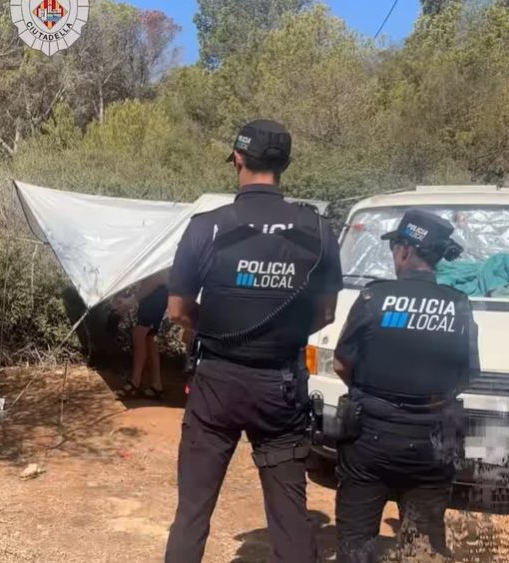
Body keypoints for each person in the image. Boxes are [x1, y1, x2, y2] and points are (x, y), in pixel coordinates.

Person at [165, 119, 343, 563]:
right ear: (284, 165)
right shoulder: (319, 231)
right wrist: (274, 336)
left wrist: (220, 330)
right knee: (288, 514)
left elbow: (177, 311)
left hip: (216, 385)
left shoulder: (207, 226)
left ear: (238, 160)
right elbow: (326, 314)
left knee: (192, 512)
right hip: (281, 386)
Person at [333, 209, 480, 562]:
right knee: (423, 547)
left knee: (356, 542)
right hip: (433, 440)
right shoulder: (459, 305)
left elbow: (341, 363)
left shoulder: (373, 299)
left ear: (404, 251)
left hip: (370, 438)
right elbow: (468, 375)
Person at [114, 271, 169, 400]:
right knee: (150, 336)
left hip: (157, 292)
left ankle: (135, 382)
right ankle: (156, 385)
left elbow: (154, 280)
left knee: (139, 333)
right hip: (156, 293)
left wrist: (131, 300)